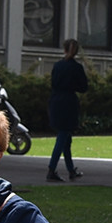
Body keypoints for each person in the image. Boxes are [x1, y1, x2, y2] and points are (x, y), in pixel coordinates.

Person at [46, 39, 88, 182]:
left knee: (65, 138)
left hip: (56, 101)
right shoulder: (76, 68)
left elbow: (53, 83)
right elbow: (83, 87)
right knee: (63, 135)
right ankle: (51, 168)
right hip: (69, 103)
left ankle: (71, 169)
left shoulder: (57, 66)